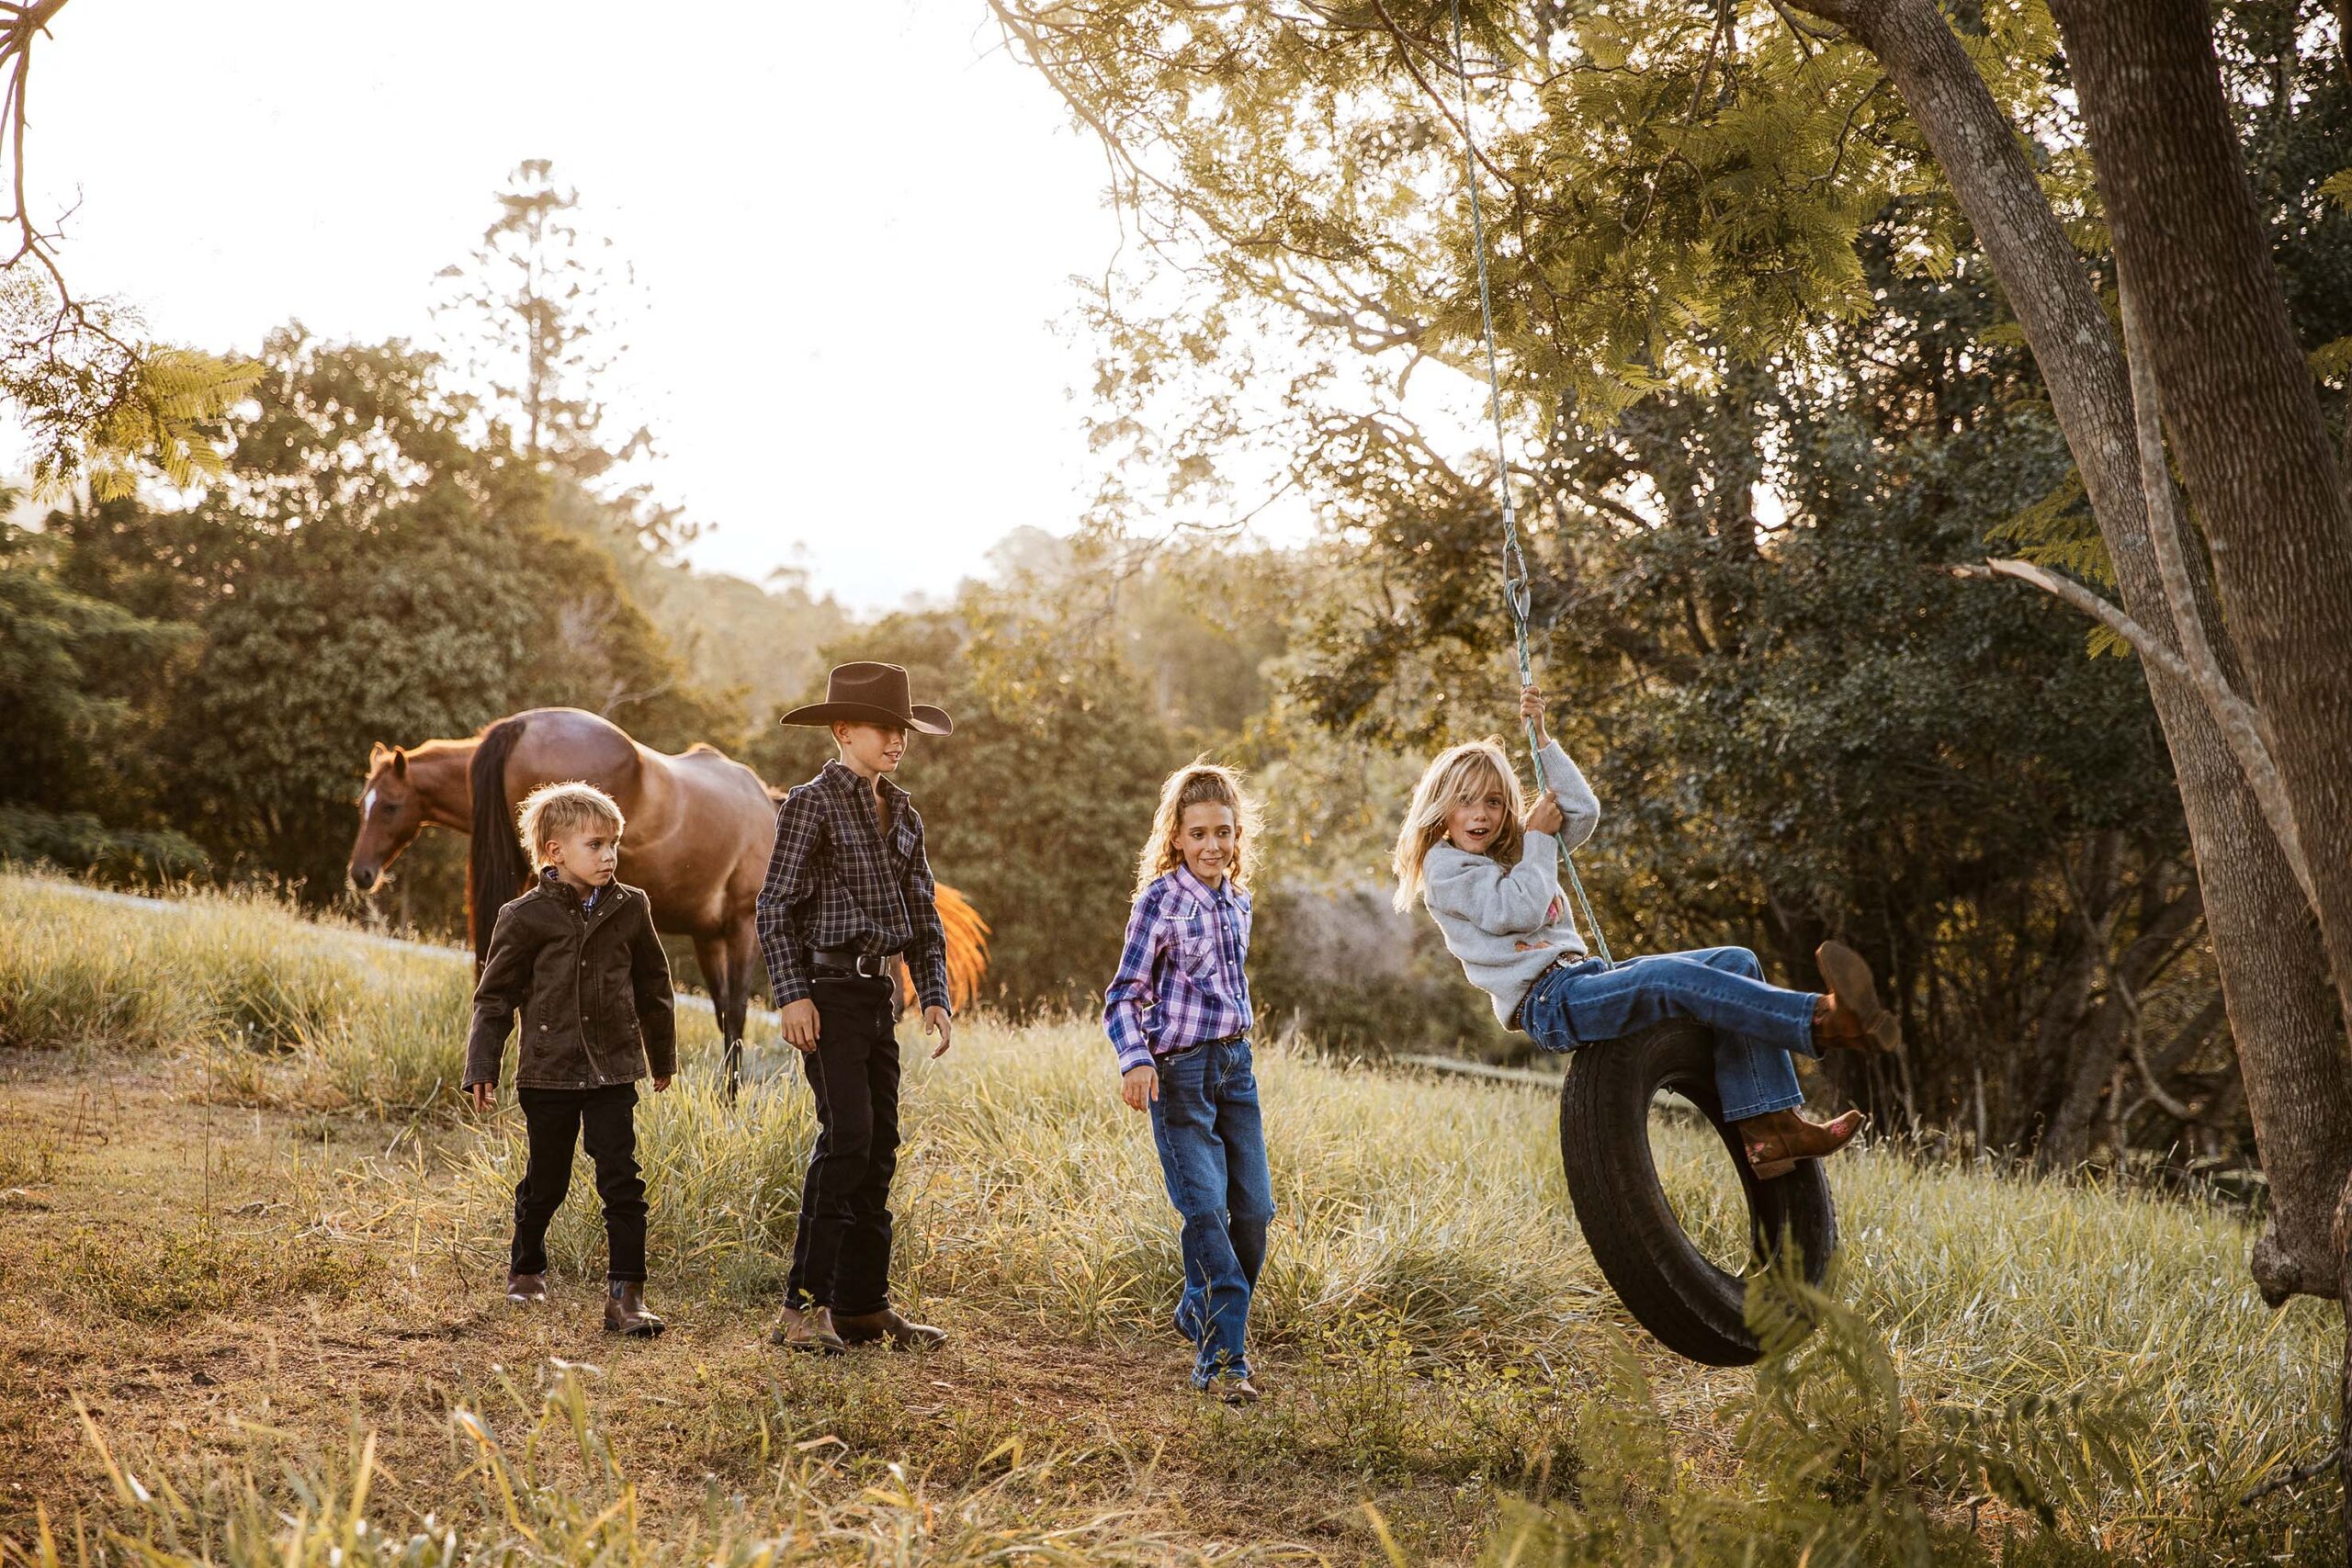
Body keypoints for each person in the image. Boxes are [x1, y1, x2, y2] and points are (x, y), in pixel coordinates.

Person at [1393, 686, 1899, 1179]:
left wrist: (1542, 742)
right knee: (1669, 982)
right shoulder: (1446, 868)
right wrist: (1538, 839)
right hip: (1549, 1003)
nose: (1480, 814)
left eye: (1494, 801)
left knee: (1735, 961)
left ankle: (1773, 1130)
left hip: (1583, 976)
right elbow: (1517, 911)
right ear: (1441, 808)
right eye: (1465, 801)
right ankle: (1822, 1021)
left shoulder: (1519, 849)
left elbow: (1583, 812)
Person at [757, 661, 956, 1354]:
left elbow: (923, 913)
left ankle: (864, 1308)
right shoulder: (810, 804)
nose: (896, 740)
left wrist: (934, 994)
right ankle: (801, 1309)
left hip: (878, 997)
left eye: (902, 730)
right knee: (845, 1139)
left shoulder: (904, 814)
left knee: (879, 1147)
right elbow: (775, 906)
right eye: (881, 728)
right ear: (843, 731)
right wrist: (792, 993)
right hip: (828, 991)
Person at [463, 780, 675, 1337]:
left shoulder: (632, 907)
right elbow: (495, 997)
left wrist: (661, 1056)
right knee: (547, 1179)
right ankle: (527, 1266)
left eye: (614, 845)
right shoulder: (524, 916)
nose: (609, 856)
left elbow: (654, 986)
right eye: (595, 845)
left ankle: (626, 1296)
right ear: (555, 852)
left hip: (612, 1070)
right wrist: (482, 1066)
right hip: (548, 1072)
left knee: (622, 1179)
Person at [1103, 762, 1273, 1404]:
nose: (1212, 845)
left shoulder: (1238, 901)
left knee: (1253, 1212)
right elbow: (1124, 995)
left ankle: (1199, 1308)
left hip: (1236, 1069)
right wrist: (1136, 1058)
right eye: (1198, 833)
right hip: (1179, 1075)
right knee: (1205, 1210)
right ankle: (1223, 1361)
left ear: (1237, 835)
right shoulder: (1161, 901)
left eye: (1223, 832)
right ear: (1176, 836)